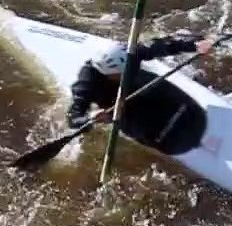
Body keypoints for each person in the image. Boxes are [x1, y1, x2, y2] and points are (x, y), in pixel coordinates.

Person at [67, 33, 214, 150]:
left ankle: (185, 116)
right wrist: (91, 118)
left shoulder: (130, 54)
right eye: (121, 73)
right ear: (109, 73)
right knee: (131, 114)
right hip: (118, 105)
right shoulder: (86, 84)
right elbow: (73, 118)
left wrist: (193, 45)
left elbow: (159, 45)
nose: (127, 72)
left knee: (149, 85)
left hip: (138, 87)